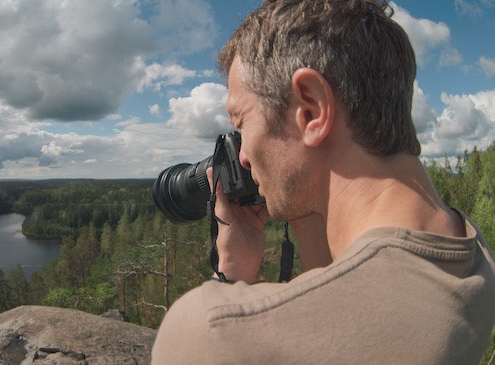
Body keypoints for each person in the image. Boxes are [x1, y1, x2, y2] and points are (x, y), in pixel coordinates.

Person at [151, 0, 495, 364]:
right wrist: (303, 193)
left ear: (311, 110)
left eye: (241, 123)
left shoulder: (217, 330)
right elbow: (342, 286)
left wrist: (231, 276)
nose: (243, 157)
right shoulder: (470, 256)